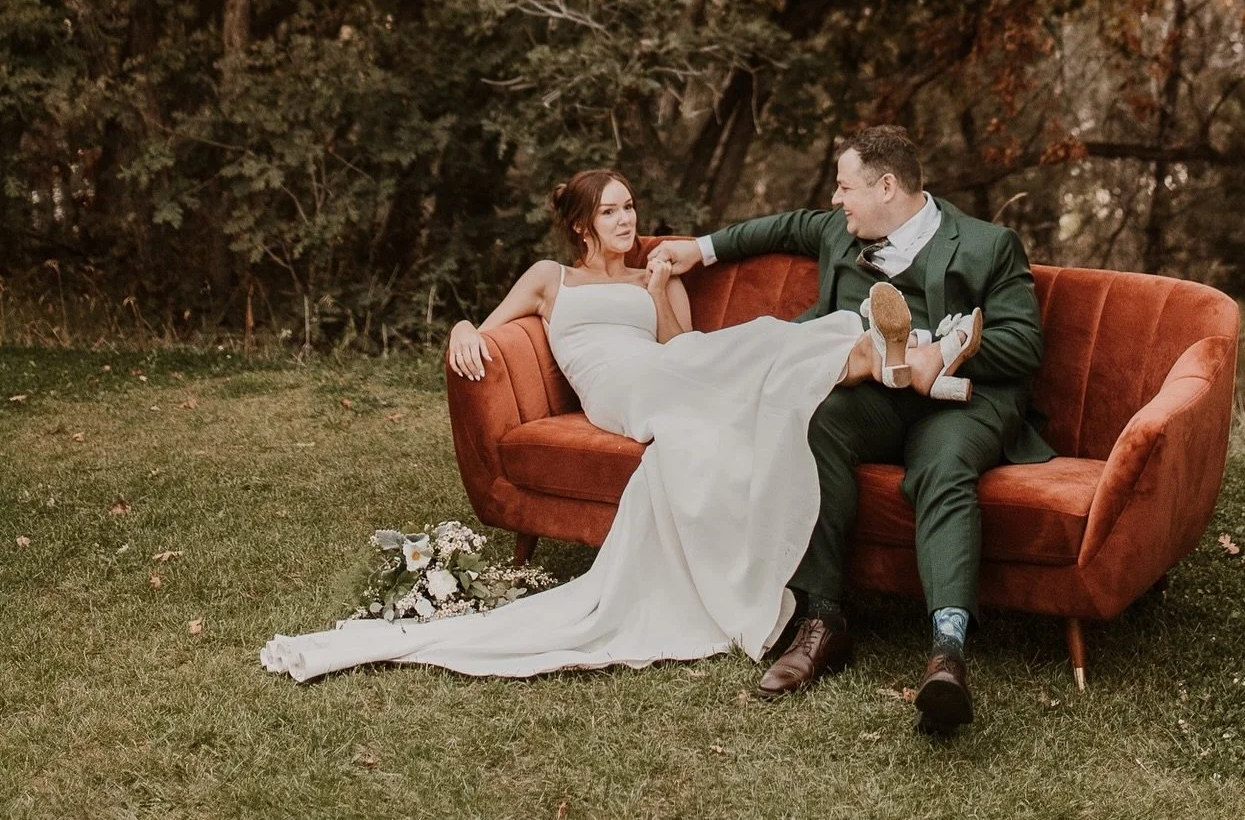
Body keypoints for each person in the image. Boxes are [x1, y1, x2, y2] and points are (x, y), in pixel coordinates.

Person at [260, 165, 934, 685]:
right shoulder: (551, 278)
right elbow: (489, 327)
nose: (625, 218)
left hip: (669, 375)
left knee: (716, 397)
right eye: (610, 210)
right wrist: (461, 326)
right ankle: (857, 351)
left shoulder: (655, 274)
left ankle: (855, 356)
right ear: (583, 225)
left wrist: (659, 291)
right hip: (620, 390)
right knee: (749, 354)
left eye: (629, 206)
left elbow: (683, 350)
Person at [649, 123, 1053, 733]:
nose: (835, 199)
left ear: (886, 186)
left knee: (943, 468)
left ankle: (947, 653)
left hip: (958, 402)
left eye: (845, 187)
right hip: (873, 394)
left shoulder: (988, 244)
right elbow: (784, 226)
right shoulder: (841, 231)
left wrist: (939, 354)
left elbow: (1024, 342)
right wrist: (698, 249)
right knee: (815, 420)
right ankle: (825, 621)